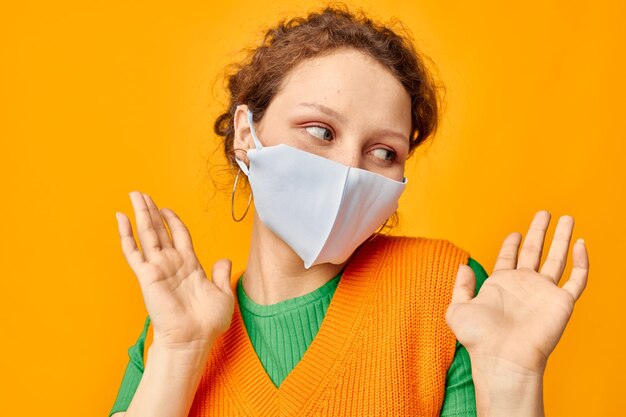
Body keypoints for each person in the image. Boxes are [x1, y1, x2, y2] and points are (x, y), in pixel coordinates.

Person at [109, 5, 589, 417]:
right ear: (244, 135)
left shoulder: (447, 292)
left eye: (383, 152)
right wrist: (180, 351)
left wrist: (514, 383)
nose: (348, 168)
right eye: (320, 131)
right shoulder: (177, 325)